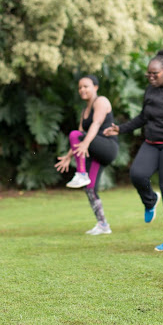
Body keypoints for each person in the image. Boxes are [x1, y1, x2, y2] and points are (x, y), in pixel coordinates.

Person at [103, 49, 163, 252]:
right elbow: (143, 117)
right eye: (148, 73)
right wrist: (121, 129)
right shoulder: (150, 90)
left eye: (154, 73)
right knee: (137, 175)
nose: (150, 77)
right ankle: (150, 200)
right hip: (151, 143)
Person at [55, 75, 119, 235]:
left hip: (107, 147)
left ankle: (81, 173)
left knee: (74, 134)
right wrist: (69, 156)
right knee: (90, 189)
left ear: (95, 87)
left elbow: (95, 125)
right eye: (80, 87)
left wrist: (85, 143)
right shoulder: (85, 110)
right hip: (94, 150)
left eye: (86, 86)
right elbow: (80, 137)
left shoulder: (101, 101)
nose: (82, 90)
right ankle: (103, 224)